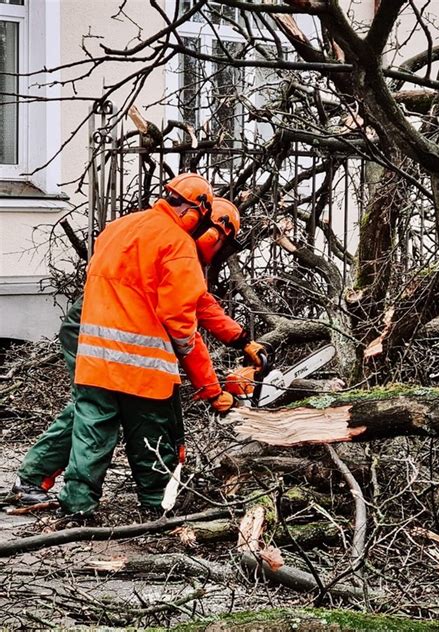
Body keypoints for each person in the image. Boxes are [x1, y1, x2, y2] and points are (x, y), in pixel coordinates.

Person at [12, 174, 266, 517]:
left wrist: (241, 339)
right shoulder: (178, 245)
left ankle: (72, 501)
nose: (217, 251)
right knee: (133, 419)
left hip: (95, 333)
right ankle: (149, 501)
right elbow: (183, 331)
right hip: (118, 339)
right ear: (205, 223)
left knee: (94, 411)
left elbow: (199, 302)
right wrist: (211, 391)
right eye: (220, 242)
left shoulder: (126, 227)